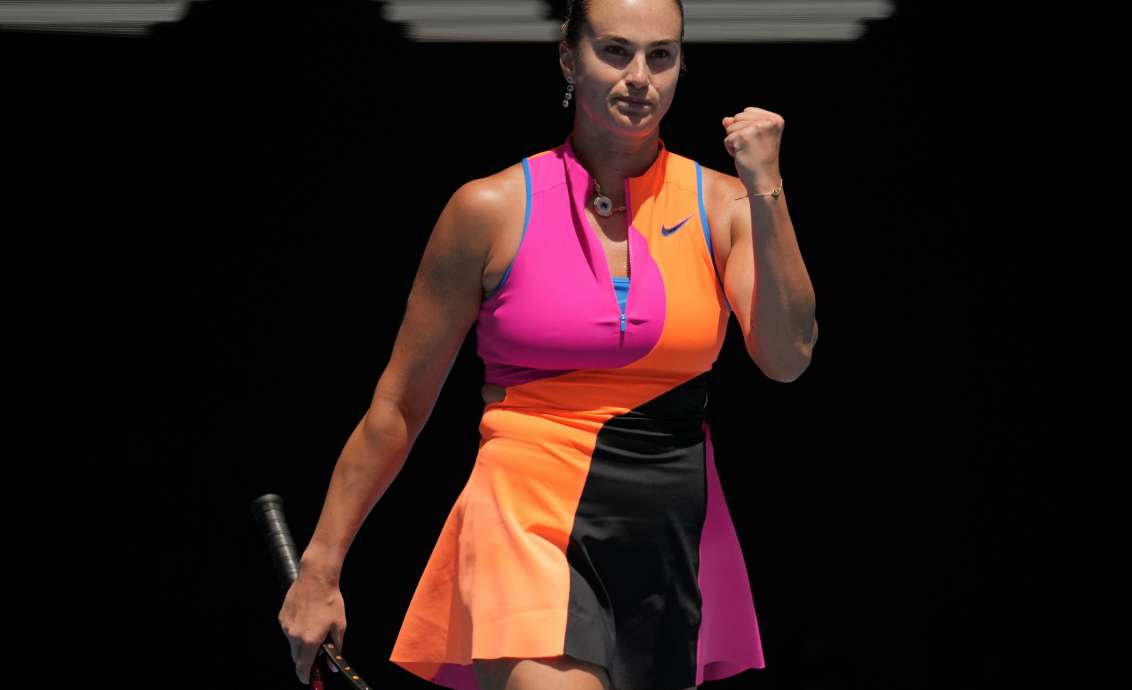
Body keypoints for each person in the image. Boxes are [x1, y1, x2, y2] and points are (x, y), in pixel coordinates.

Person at [278, 0, 817, 688]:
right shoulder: (488, 209)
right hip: (523, 509)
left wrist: (767, 188)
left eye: (661, 55)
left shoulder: (728, 207)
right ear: (569, 57)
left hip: (672, 523)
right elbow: (399, 406)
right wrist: (320, 570)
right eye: (615, 51)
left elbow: (787, 357)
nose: (639, 77)